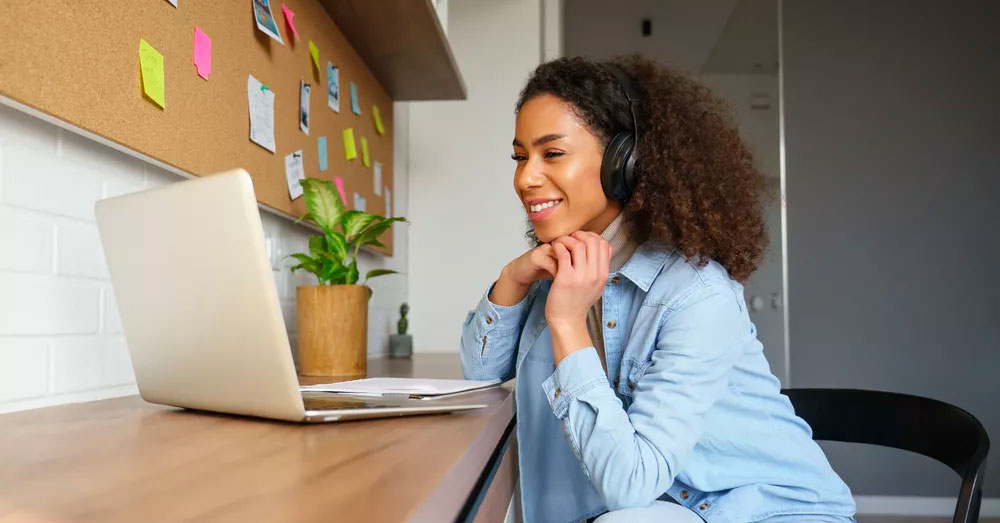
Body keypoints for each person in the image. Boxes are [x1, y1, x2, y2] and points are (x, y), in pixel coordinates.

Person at [459, 55, 857, 523]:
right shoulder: (564, 270)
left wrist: (567, 324)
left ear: (623, 162)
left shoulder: (697, 294)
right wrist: (512, 280)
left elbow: (630, 487)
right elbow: (481, 373)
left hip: (766, 513)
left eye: (553, 153)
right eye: (520, 157)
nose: (525, 178)